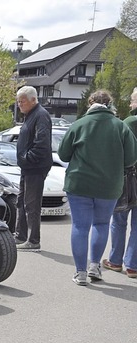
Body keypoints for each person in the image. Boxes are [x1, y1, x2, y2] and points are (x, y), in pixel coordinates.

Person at [58, 90, 137, 285]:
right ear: (110, 104)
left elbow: (63, 155)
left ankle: (81, 272)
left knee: (80, 226)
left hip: (79, 184)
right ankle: (95, 266)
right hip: (109, 186)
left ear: (90, 104)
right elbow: (130, 160)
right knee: (101, 225)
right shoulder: (121, 127)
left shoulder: (79, 125)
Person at [14, 85, 53, 251]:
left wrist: (26, 158)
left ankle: (33, 240)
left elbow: (41, 145)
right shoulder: (31, 115)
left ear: (33, 100)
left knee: (31, 204)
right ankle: (20, 235)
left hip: (35, 167)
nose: (19, 105)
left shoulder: (40, 115)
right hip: (28, 167)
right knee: (21, 202)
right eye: (18, 102)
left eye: (22, 101)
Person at [103, 88, 137, 279]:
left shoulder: (129, 122)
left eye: (132, 101)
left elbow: (119, 151)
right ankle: (133, 265)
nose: (130, 104)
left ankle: (115, 261)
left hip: (128, 178)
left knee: (119, 221)